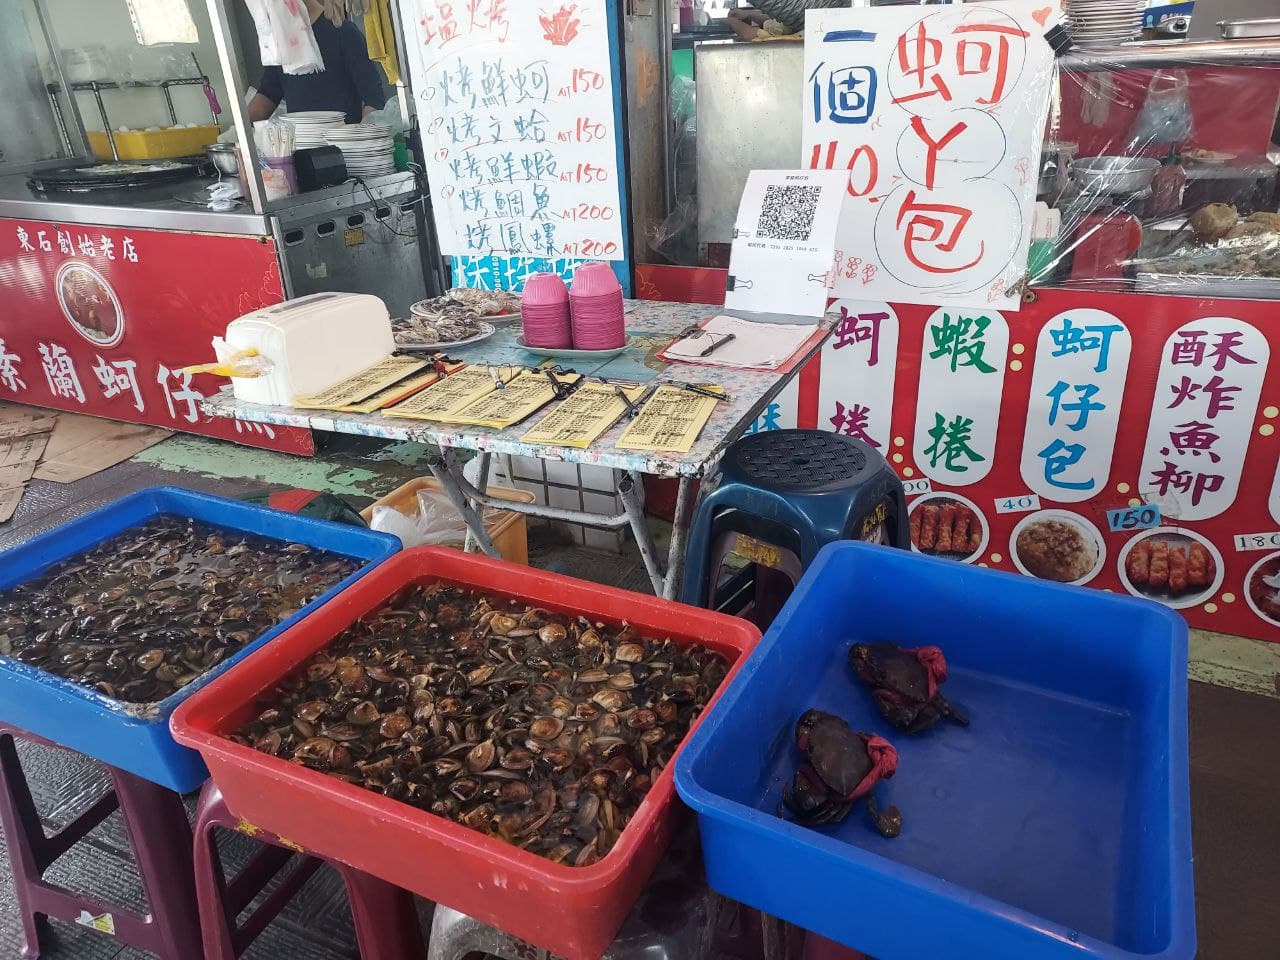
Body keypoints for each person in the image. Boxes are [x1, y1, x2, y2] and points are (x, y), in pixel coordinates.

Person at [248, 0, 386, 124]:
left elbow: (374, 99)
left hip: (343, 148)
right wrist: (236, 132)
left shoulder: (344, 33)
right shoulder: (281, 43)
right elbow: (267, 95)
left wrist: (362, 140)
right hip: (300, 149)